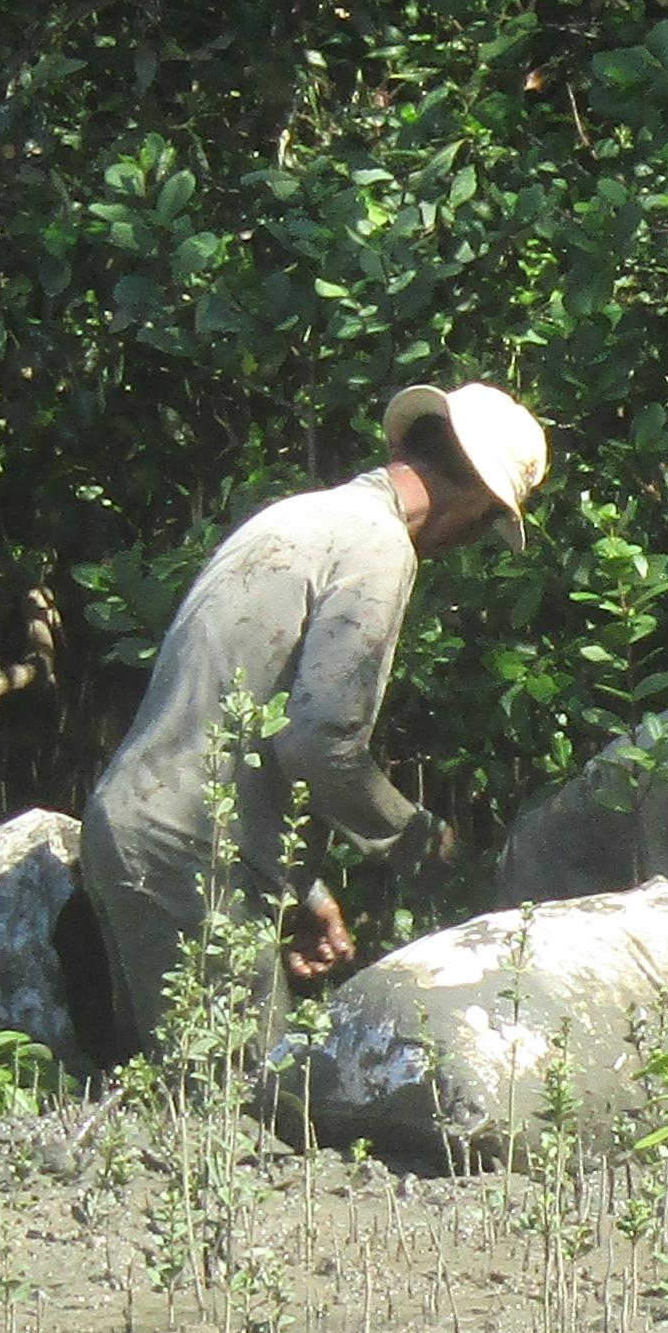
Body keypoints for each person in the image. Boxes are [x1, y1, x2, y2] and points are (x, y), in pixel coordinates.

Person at [75, 381, 543, 1070]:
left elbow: (234, 713)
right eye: (485, 522)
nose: (471, 540)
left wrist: (304, 890)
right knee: (238, 1112)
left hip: (138, 830)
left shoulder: (298, 517)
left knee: (161, 1099)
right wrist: (416, 841)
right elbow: (318, 738)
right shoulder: (379, 547)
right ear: (475, 496)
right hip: (196, 857)